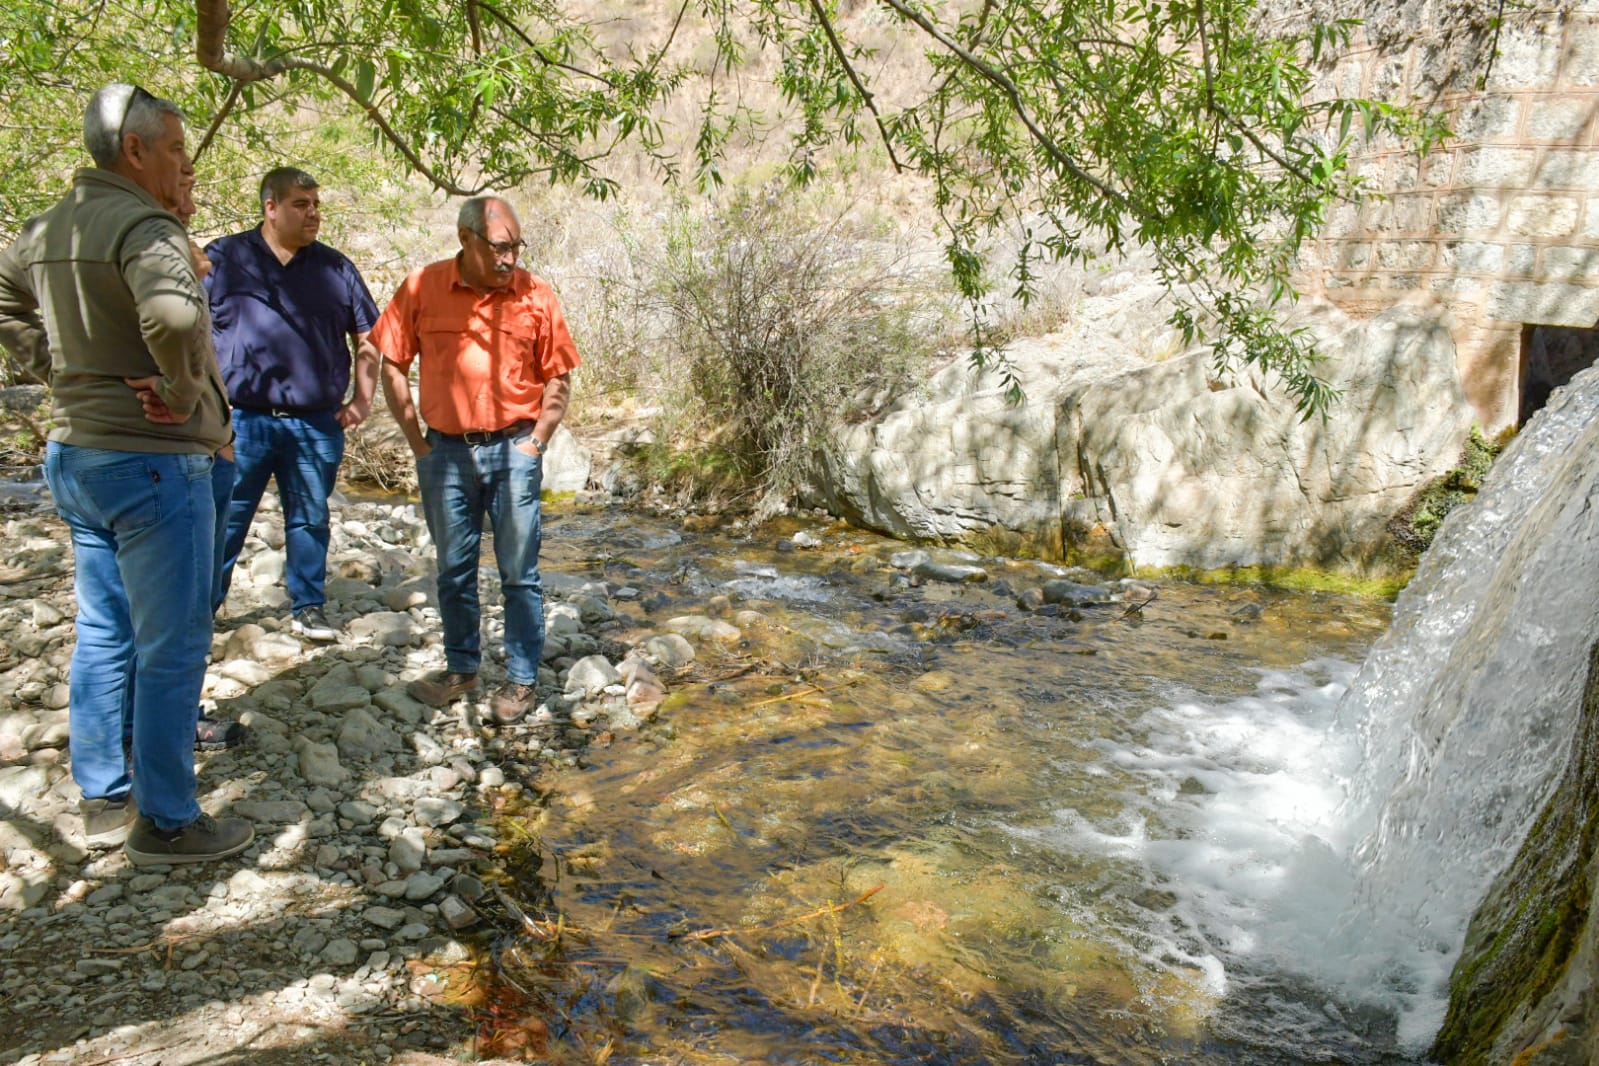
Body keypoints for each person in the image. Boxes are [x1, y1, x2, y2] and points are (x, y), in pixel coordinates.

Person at [0, 83, 253, 865]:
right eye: (175, 147)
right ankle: (169, 820)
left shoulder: (46, 226)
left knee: (105, 631)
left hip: (78, 459)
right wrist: (178, 392)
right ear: (134, 149)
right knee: (173, 644)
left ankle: (104, 795)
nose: (185, 161)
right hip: (152, 462)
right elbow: (174, 319)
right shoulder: (145, 226)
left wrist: (63, 375)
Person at [372, 195, 579, 724]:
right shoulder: (423, 287)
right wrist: (416, 441)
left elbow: (559, 375)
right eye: (500, 247)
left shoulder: (536, 294)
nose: (511, 259)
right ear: (466, 239)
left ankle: (522, 680)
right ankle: (461, 669)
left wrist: (538, 442)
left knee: (519, 574)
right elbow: (389, 359)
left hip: (514, 450)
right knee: (454, 571)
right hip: (444, 452)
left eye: (516, 247)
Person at [204, 166, 380, 640]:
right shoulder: (223, 258)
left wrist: (363, 398)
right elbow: (185, 330)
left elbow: (369, 335)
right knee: (225, 516)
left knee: (310, 517)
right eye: (301, 205)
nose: (313, 214)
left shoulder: (334, 268)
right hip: (240, 421)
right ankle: (201, 611)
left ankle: (307, 608)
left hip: (314, 422)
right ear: (271, 208)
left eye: (316, 204)